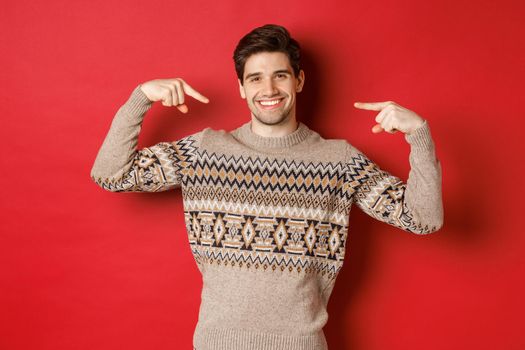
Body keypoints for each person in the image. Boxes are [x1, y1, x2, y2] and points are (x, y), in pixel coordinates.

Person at [90, 24, 443, 350]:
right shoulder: (205, 151)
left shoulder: (338, 161)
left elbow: (422, 219)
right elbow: (112, 174)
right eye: (255, 78)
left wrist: (418, 135)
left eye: (280, 76)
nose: (269, 89)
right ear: (241, 87)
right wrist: (141, 98)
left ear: (299, 81)